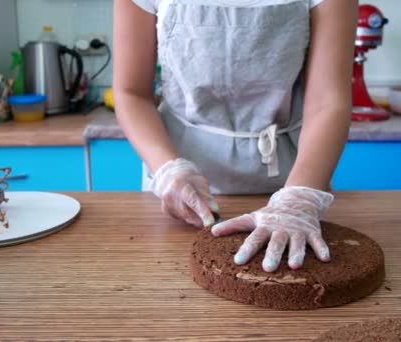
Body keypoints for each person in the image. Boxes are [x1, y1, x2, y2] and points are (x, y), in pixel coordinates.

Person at [113, 0, 357, 272]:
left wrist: (297, 198)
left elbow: (327, 101)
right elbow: (131, 93)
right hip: (176, 170)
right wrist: (168, 169)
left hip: (293, 174)